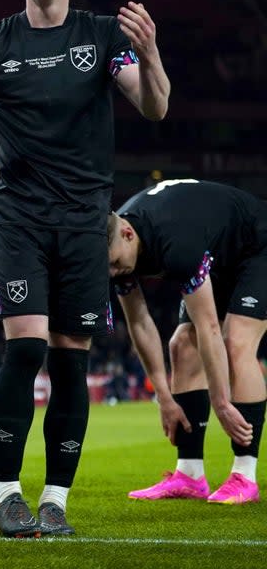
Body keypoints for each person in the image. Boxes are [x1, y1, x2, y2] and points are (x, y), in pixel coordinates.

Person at [0, 0, 170, 538]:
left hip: (87, 222)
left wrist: (149, 55)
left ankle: (55, 499)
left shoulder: (101, 36)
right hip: (20, 215)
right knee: (28, 347)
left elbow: (155, 105)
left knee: (69, 365)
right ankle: (6, 494)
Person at [109, 178, 263, 504]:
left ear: (128, 234)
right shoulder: (114, 246)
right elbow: (139, 321)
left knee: (235, 340)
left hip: (258, 246)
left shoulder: (175, 242)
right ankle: (190, 475)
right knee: (181, 345)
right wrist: (163, 397)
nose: (113, 272)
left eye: (113, 263)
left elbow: (208, 327)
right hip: (218, 251)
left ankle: (245, 474)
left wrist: (222, 402)